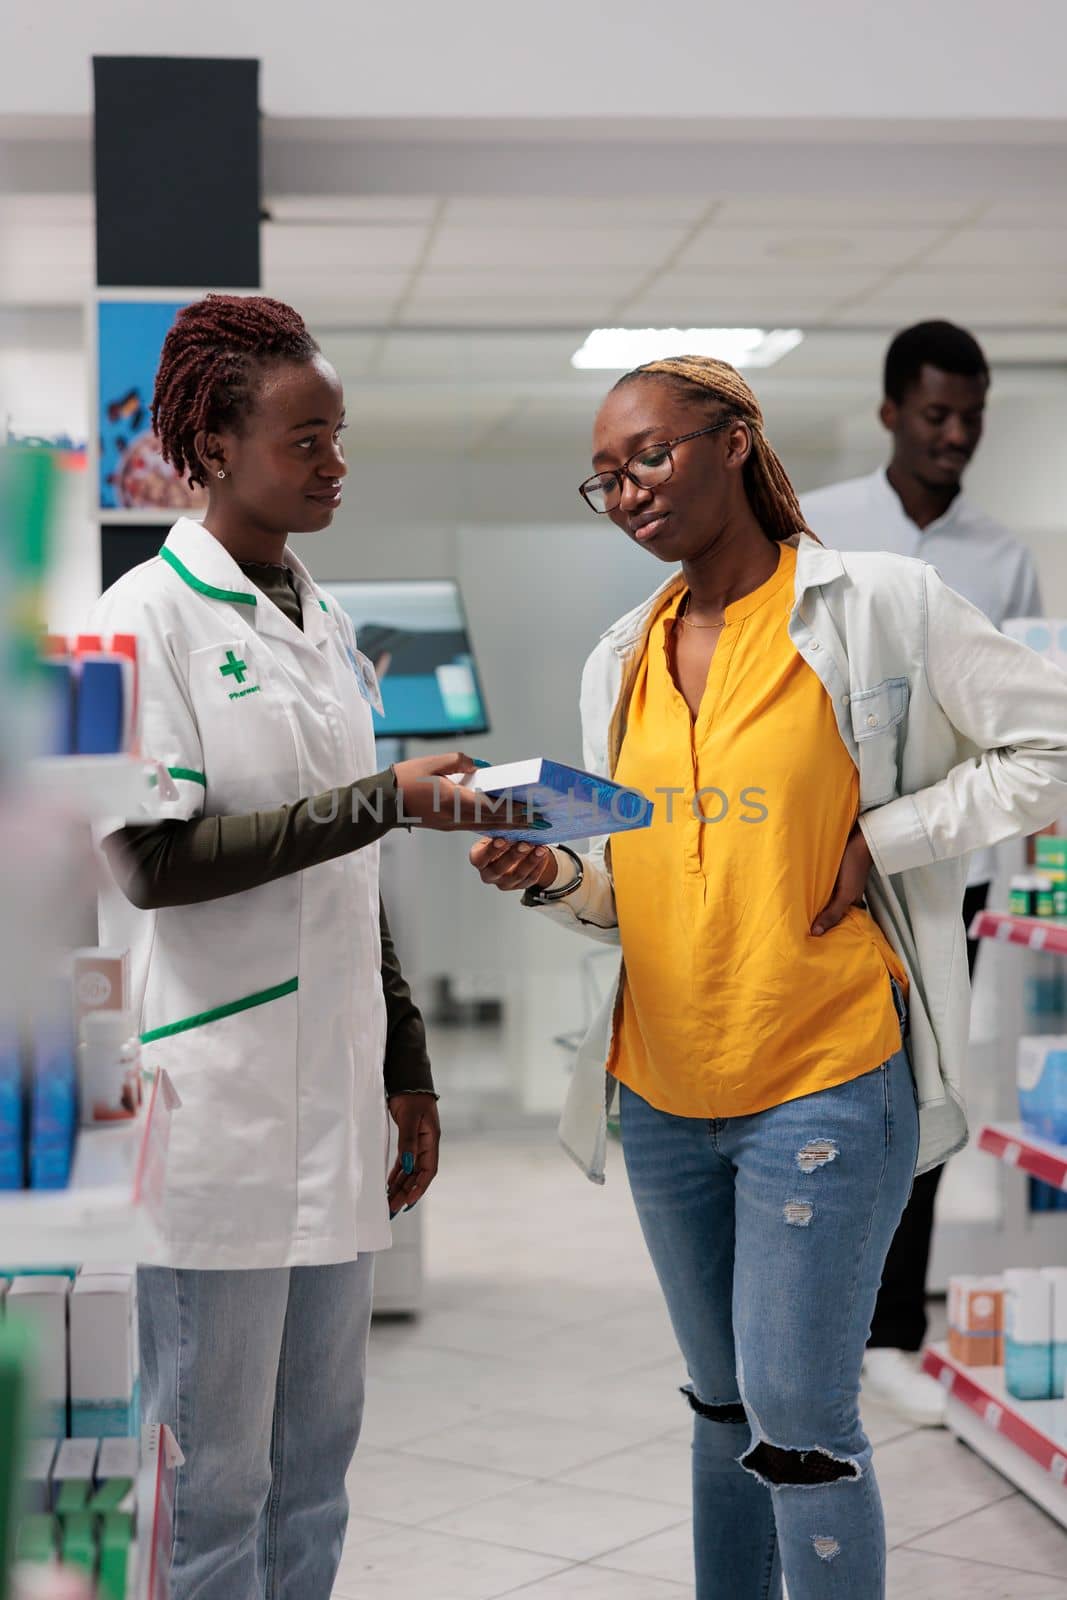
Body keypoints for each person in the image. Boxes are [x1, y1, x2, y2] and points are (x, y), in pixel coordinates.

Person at [469, 354, 1067, 1600]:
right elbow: (631, 891)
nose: (626, 490)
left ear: (733, 440)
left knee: (796, 1420)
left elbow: (1048, 739)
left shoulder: (877, 606)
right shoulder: (618, 657)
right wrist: (545, 874)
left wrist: (882, 837)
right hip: (663, 1089)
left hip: (825, 1072)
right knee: (719, 1403)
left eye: (649, 454)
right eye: (603, 479)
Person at [89, 295, 523, 1600]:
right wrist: (386, 796)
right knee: (210, 1485)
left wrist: (408, 1064)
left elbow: (351, 875)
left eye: (338, 436)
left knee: (316, 1467)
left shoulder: (323, 629)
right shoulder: (139, 622)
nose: (334, 464)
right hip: (212, 1115)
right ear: (214, 447)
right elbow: (151, 863)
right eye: (308, 438)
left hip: (333, 1111)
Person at [800, 320, 1044, 1426]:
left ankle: (891, 1329)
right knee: (834, 1083)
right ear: (890, 410)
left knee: (926, 1090)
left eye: (970, 417)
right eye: (935, 414)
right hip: (834, 853)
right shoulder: (822, 522)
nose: (954, 435)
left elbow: (1019, 718)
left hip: (955, 863)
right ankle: (814, 1320)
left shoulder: (1001, 554)